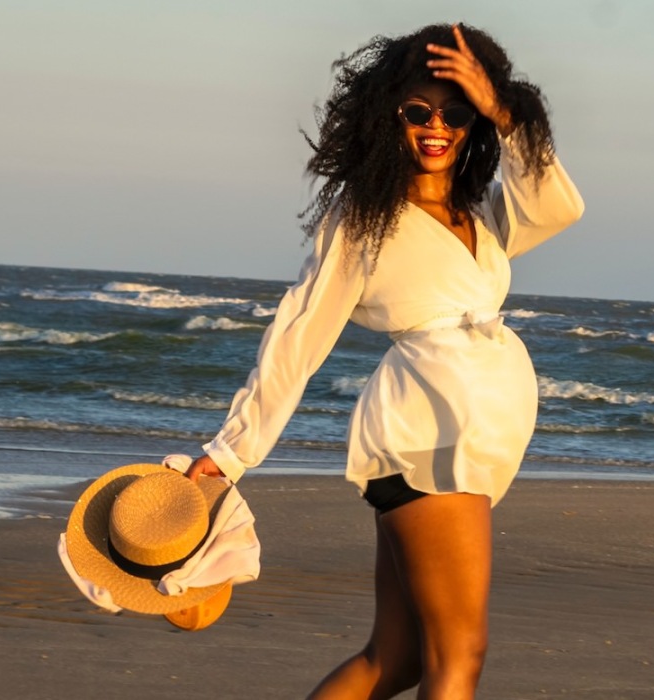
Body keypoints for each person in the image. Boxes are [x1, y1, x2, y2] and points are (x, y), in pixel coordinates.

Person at [182, 22, 583, 700]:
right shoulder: (365, 215)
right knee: (462, 655)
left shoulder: (480, 215)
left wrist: (505, 107)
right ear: (388, 114)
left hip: (472, 444)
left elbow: (557, 205)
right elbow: (299, 333)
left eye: (455, 111)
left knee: (395, 662)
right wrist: (229, 454)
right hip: (428, 437)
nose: (436, 127)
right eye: (417, 111)